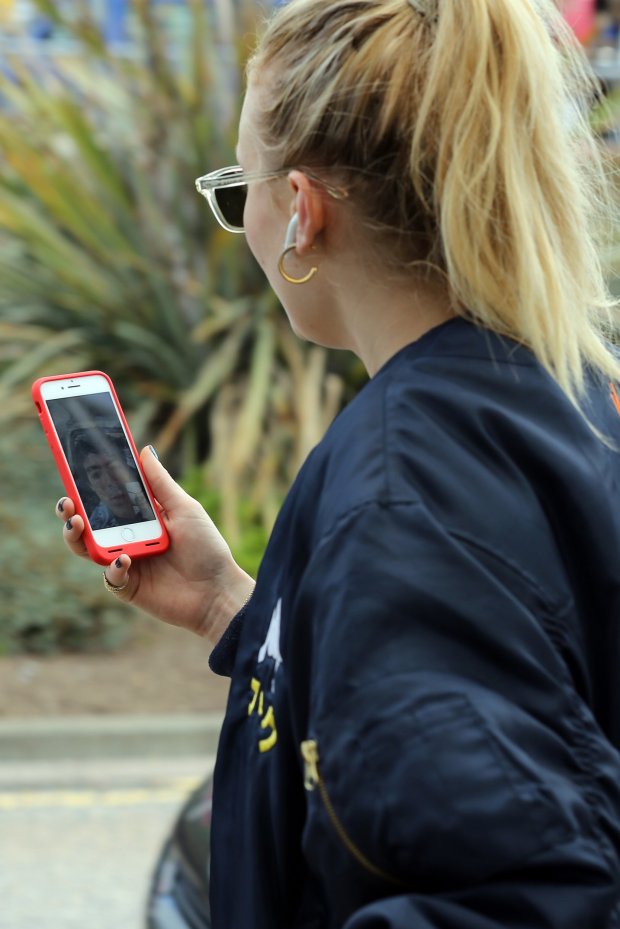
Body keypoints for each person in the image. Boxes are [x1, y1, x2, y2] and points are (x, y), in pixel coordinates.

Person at [55, 0, 620, 925]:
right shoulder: (545, 393)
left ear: (301, 214)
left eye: (241, 193)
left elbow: (509, 892)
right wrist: (235, 610)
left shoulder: (405, 492)